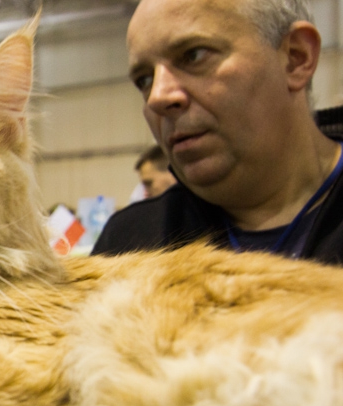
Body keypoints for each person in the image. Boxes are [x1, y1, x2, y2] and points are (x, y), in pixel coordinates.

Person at [92, 0, 343, 265]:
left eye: (194, 55)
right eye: (144, 80)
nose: (157, 97)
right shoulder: (128, 246)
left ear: (296, 57)